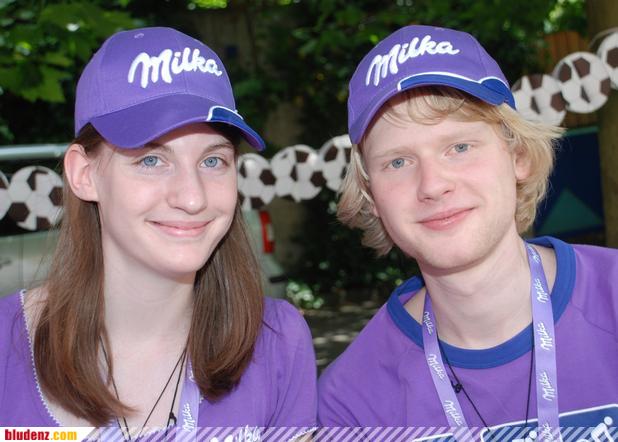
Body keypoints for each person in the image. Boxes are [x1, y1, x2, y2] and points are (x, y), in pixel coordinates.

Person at [0, 27, 317, 440]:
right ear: (84, 174)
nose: (192, 197)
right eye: (151, 160)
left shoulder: (278, 343)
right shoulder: (6, 347)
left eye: (213, 161)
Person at [318, 24, 618, 440]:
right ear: (371, 198)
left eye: (459, 147)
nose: (433, 185)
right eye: (398, 162)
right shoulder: (350, 404)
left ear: (517, 156)